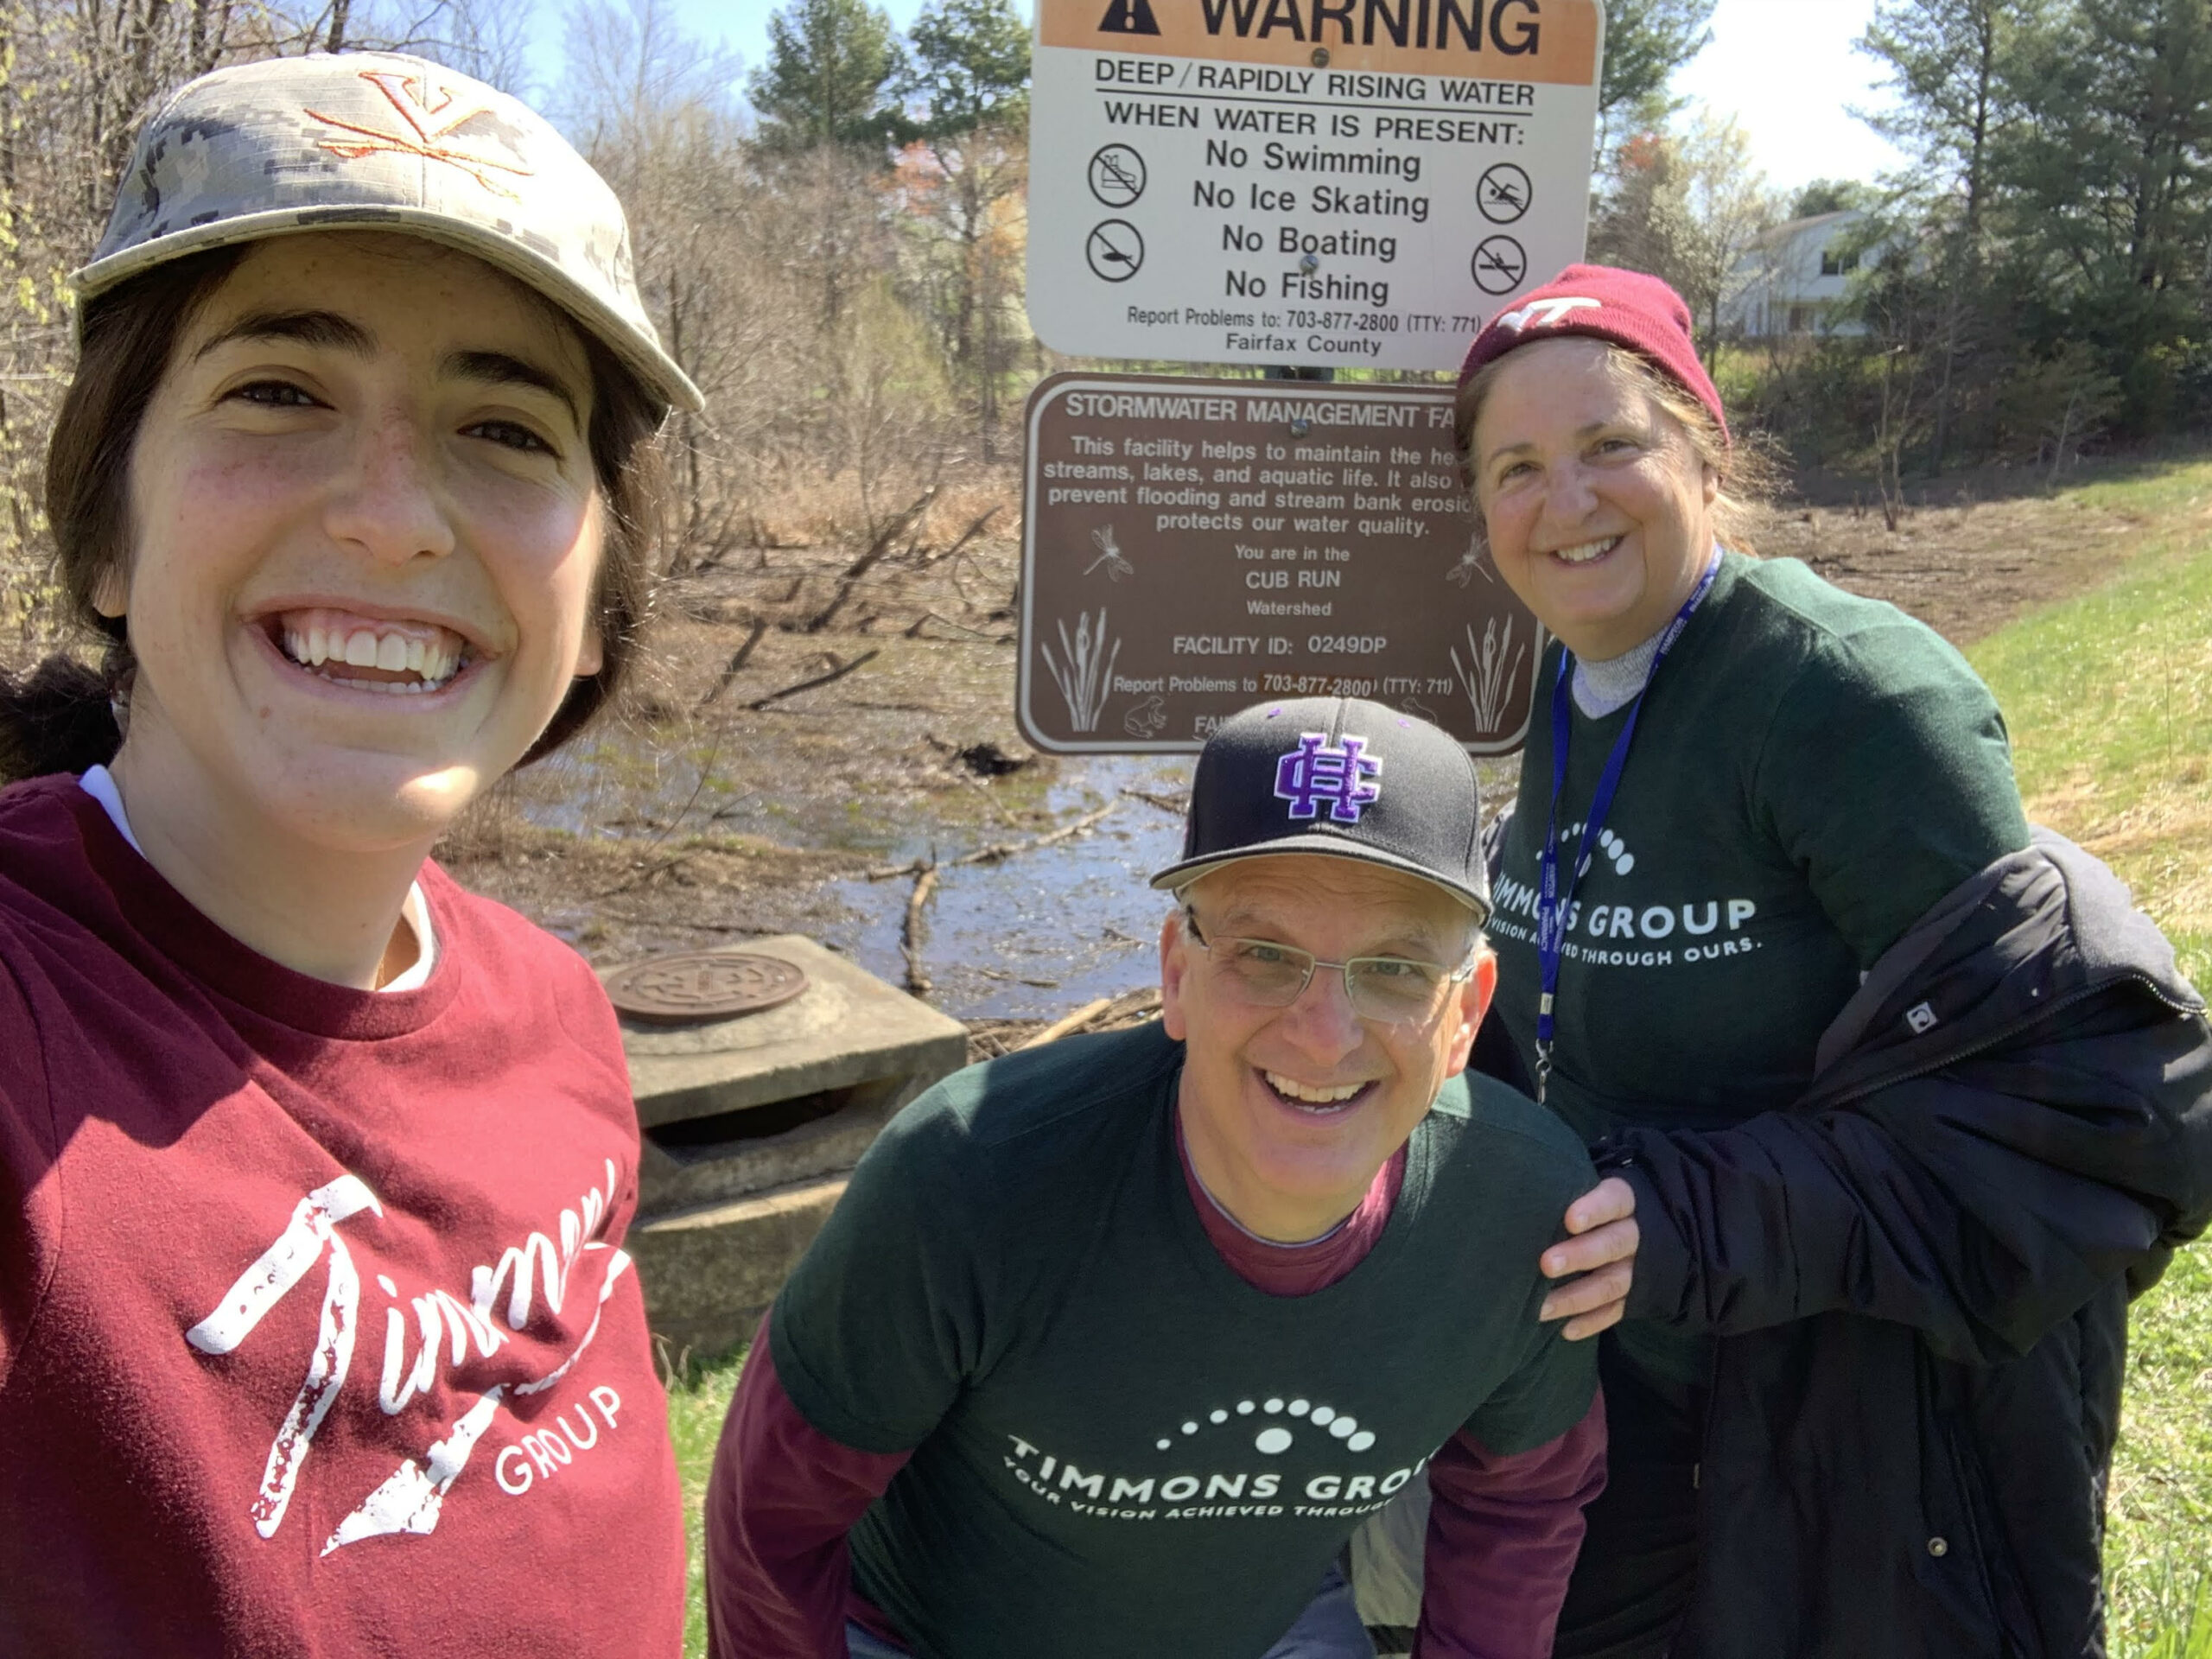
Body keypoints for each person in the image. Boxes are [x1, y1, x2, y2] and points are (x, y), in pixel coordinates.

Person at [0, 52, 703, 1655]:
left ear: (597, 605)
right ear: (106, 528)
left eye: (505, 427)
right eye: (281, 393)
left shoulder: (559, 1017)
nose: (393, 517)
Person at [1445, 264, 2212, 1657]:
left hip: (1851, 1430)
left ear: (1705, 448)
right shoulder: (1565, 678)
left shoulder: (1848, 697)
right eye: (1518, 467)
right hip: (1628, 1398)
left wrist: (1697, 1221)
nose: (1566, 503)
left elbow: (2078, 1124)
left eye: (1611, 445)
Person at [705, 697, 1638, 1659]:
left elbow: (1522, 1499)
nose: (1324, 1034)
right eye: (1263, 956)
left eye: (1396, 969)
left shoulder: (1519, 1210)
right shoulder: (969, 1176)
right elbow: (769, 1518)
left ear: (1466, 1013)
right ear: (1176, 974)